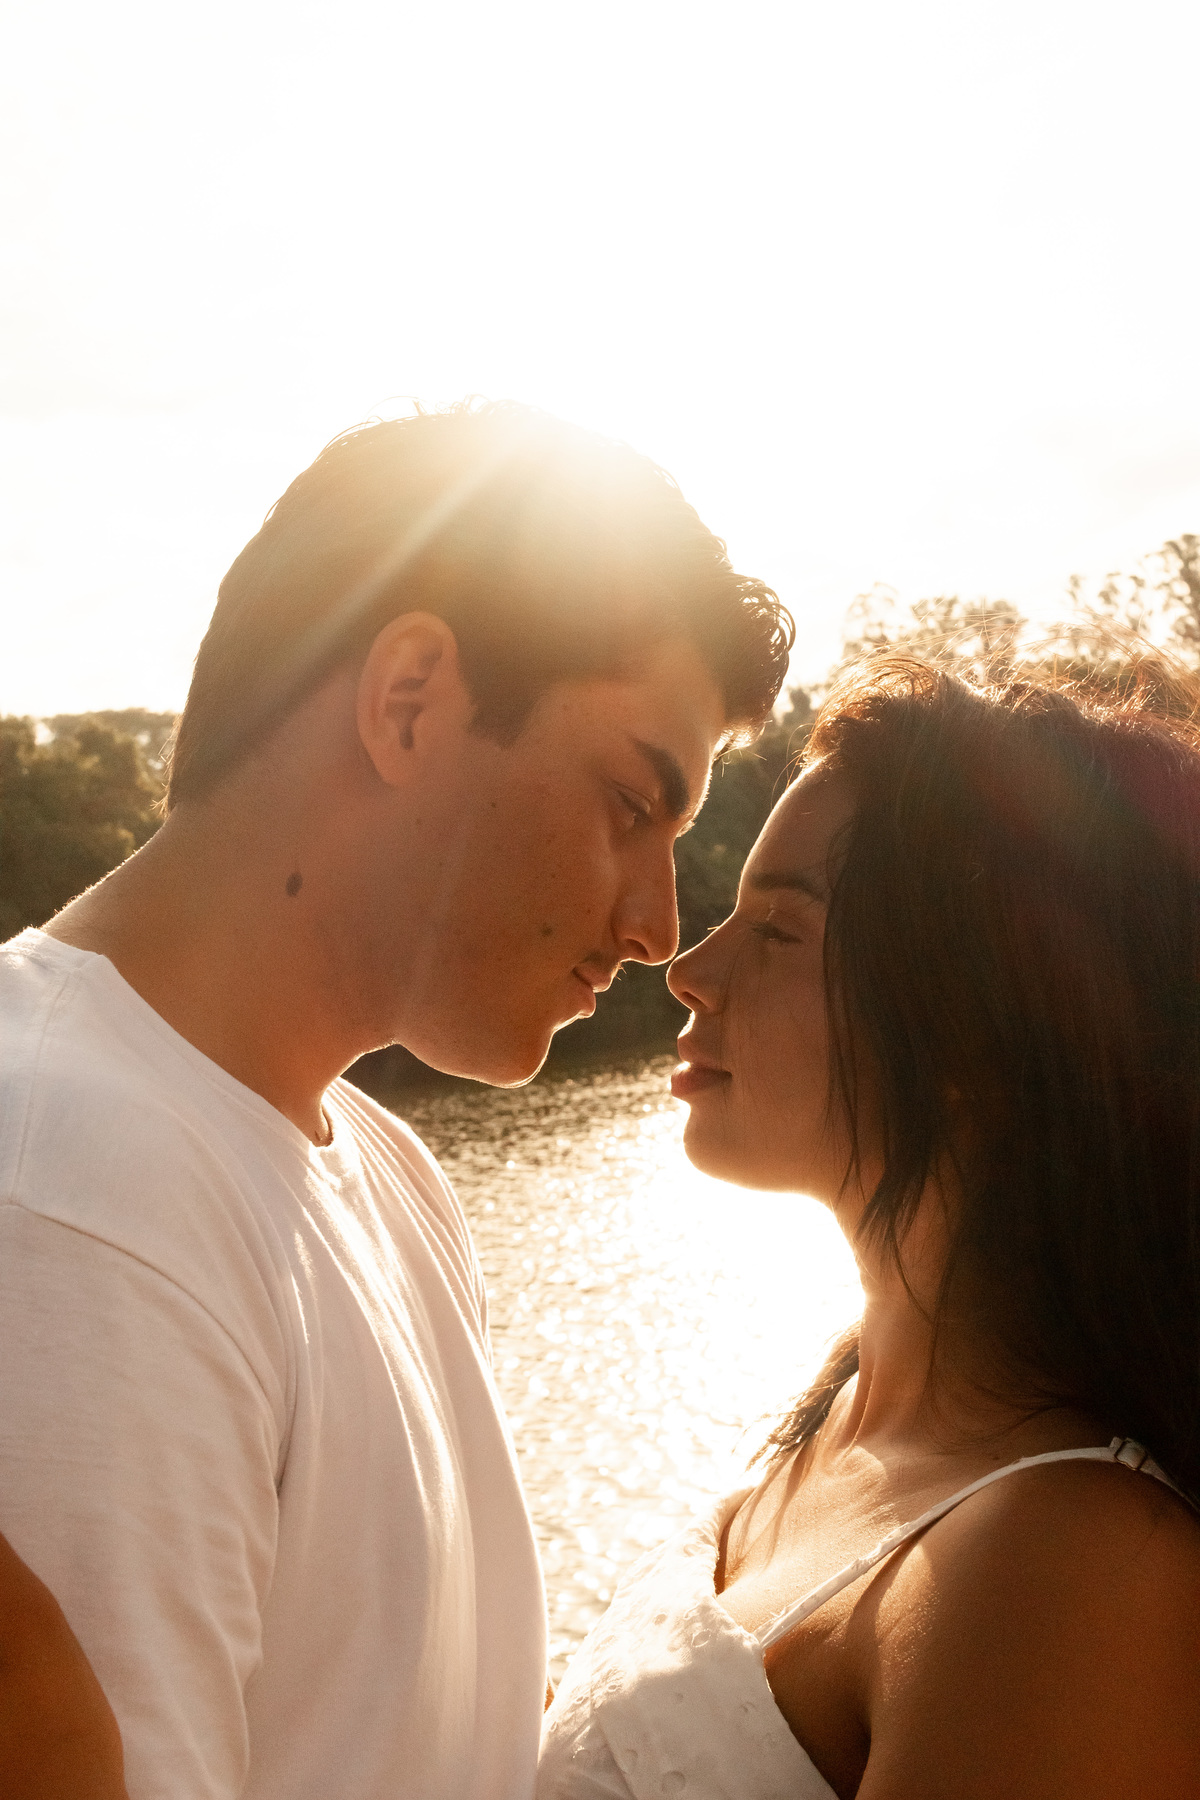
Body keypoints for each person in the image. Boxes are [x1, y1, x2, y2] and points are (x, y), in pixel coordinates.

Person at [0, 400, 792, 1800]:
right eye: (630, 800)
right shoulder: (70, 1199)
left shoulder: (390, 1176)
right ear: (409, 700)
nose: (661, 923)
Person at [539, 655, 1200, 1799]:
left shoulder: (1065, 1572)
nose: (691, 971)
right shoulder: (849, 1409)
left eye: (781, 931)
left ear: (978, 1037)